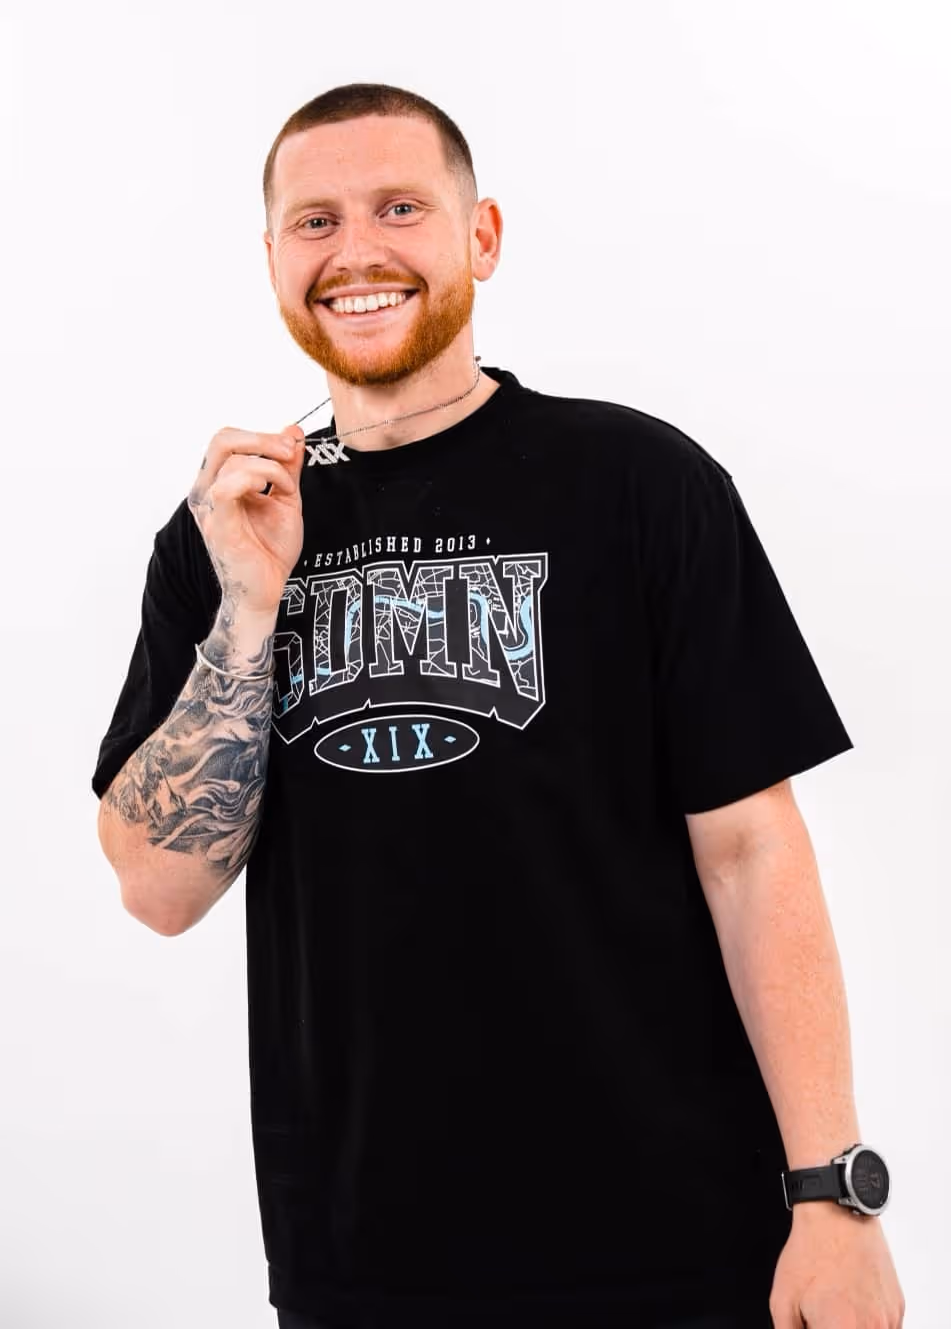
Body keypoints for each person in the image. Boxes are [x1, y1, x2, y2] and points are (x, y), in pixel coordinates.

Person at [92, 84, 905, 1329]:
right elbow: (157, 890)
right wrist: (248, 610)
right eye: (313, 222)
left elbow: (750, 853)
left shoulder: (638, 484)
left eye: (399, 208)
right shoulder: (222, 531)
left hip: (677, 1242)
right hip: (358, 1262)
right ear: (269, 262)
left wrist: (830, 1196)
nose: (354, 251)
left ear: (481, 239)